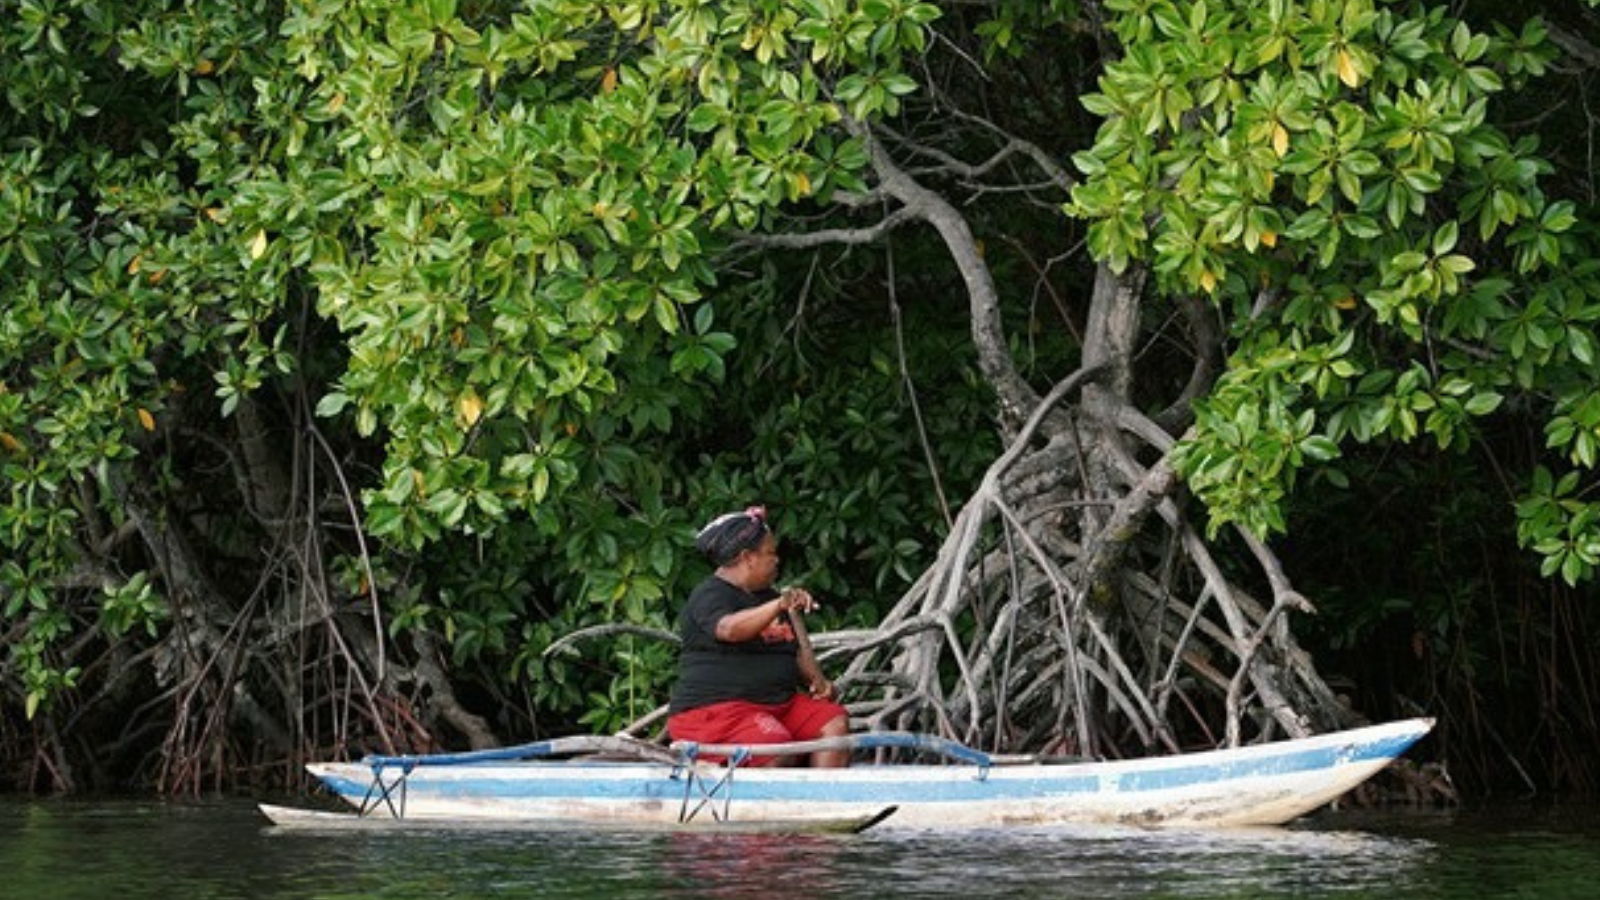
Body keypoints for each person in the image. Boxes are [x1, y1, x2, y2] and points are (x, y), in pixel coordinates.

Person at [666, 505, 850, 767]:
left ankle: (823, 802)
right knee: (776, 747)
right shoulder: (710, 595)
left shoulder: (770, 597)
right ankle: (772, 807)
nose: (776, 561)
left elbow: (795, 651)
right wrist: (777, 606)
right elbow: (729, 629)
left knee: (834, 724)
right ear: (747, 557)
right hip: (716, 713)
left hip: (777, 705)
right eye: (771, 554)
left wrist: (820, 683)